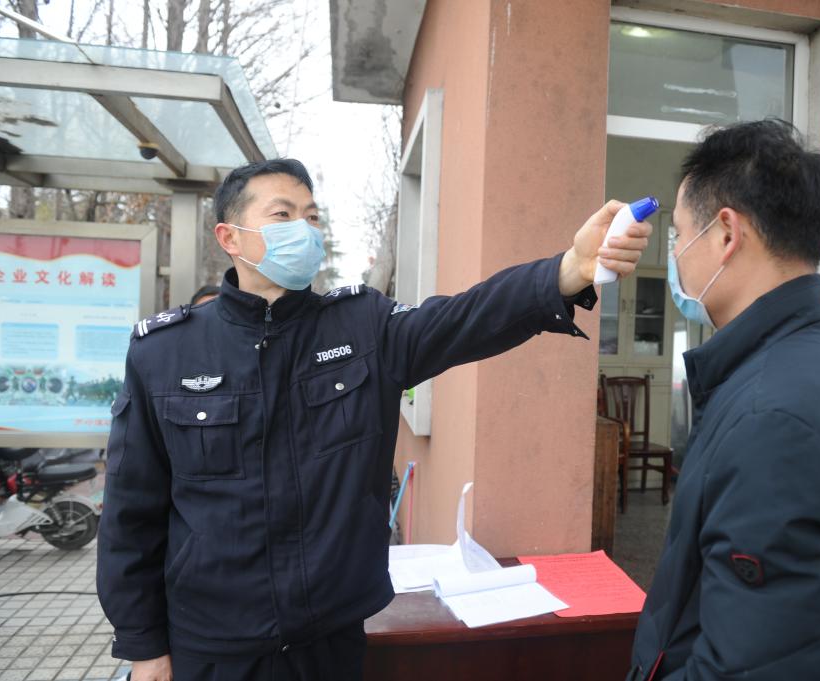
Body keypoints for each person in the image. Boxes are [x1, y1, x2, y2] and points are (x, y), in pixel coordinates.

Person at [96, 158, 652, 681]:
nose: (304, 229)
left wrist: (568, 270)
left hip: (329, 640)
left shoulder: (362, 326)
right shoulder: (165, 353)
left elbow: (465, 318)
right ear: (230, 238)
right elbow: (131, 513)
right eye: (282, 215)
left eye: (312, 216)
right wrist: (144, 646)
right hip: (211, 646)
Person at [627, 120, 820, 681]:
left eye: (679, 235)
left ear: (726, 234)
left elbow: (750, 667)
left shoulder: (773, 419)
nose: (675, 255)